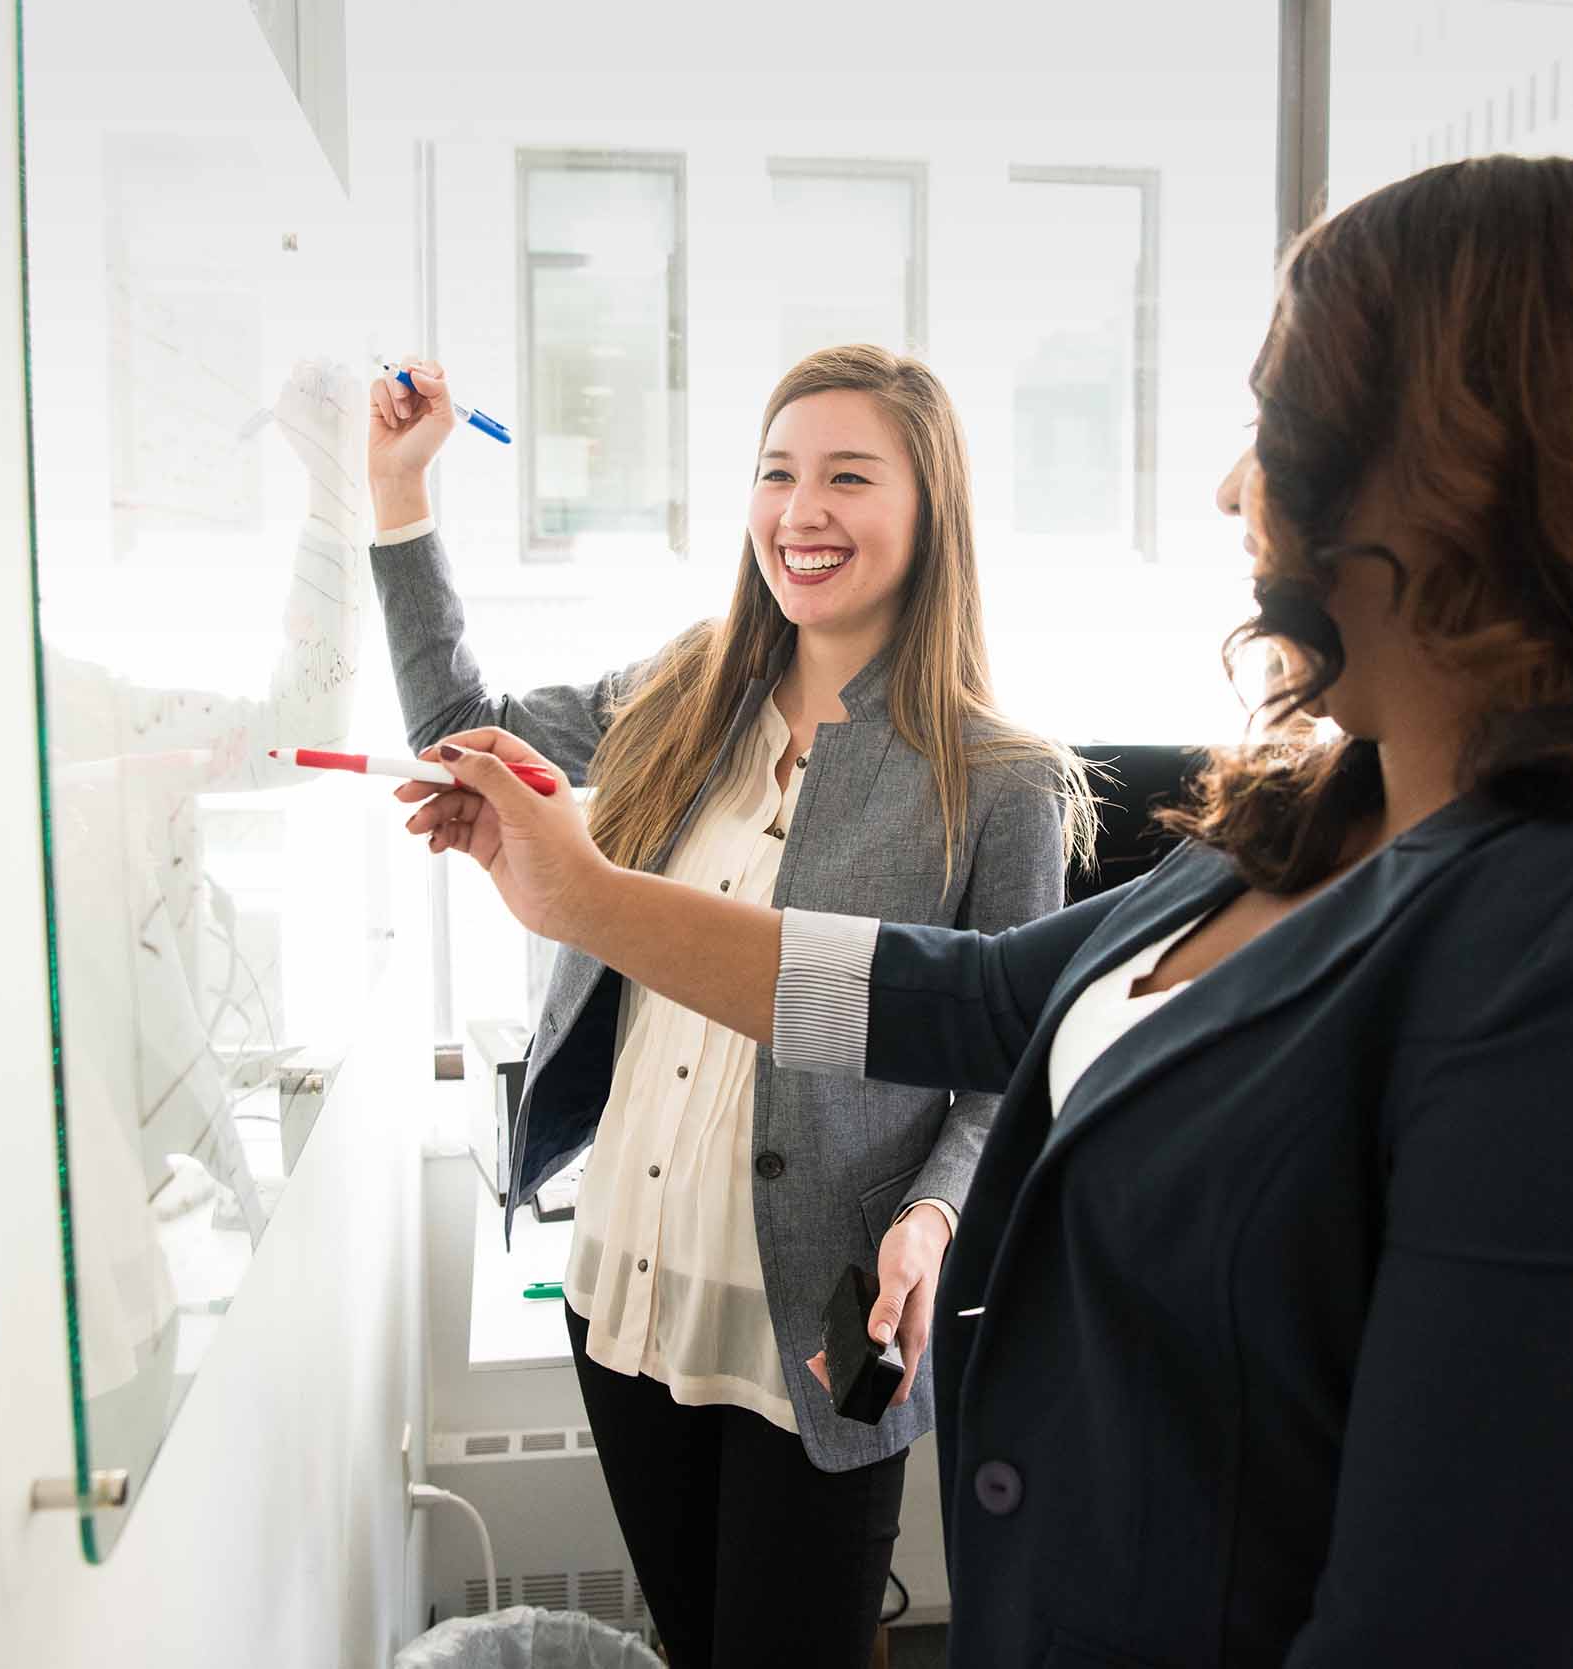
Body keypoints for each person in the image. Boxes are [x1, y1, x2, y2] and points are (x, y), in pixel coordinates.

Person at [393, 157, 1573, 1666]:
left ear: (1460, 465)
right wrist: (586, 898)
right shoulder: (1312, 817)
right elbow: (967, 997)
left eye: (1276, 421)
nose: (1234, 486)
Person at [365, 343, 1089, 1666]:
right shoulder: (684, 694)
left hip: (835, 1310)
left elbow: (1013, 1071)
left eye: (849, 477)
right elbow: (464, 726)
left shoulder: (1002, 780)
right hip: (628, 1284)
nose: (800, 512)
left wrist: (933, 1219)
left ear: (932, 510)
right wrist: (399, 496)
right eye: (777, 474)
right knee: (700, 1641)